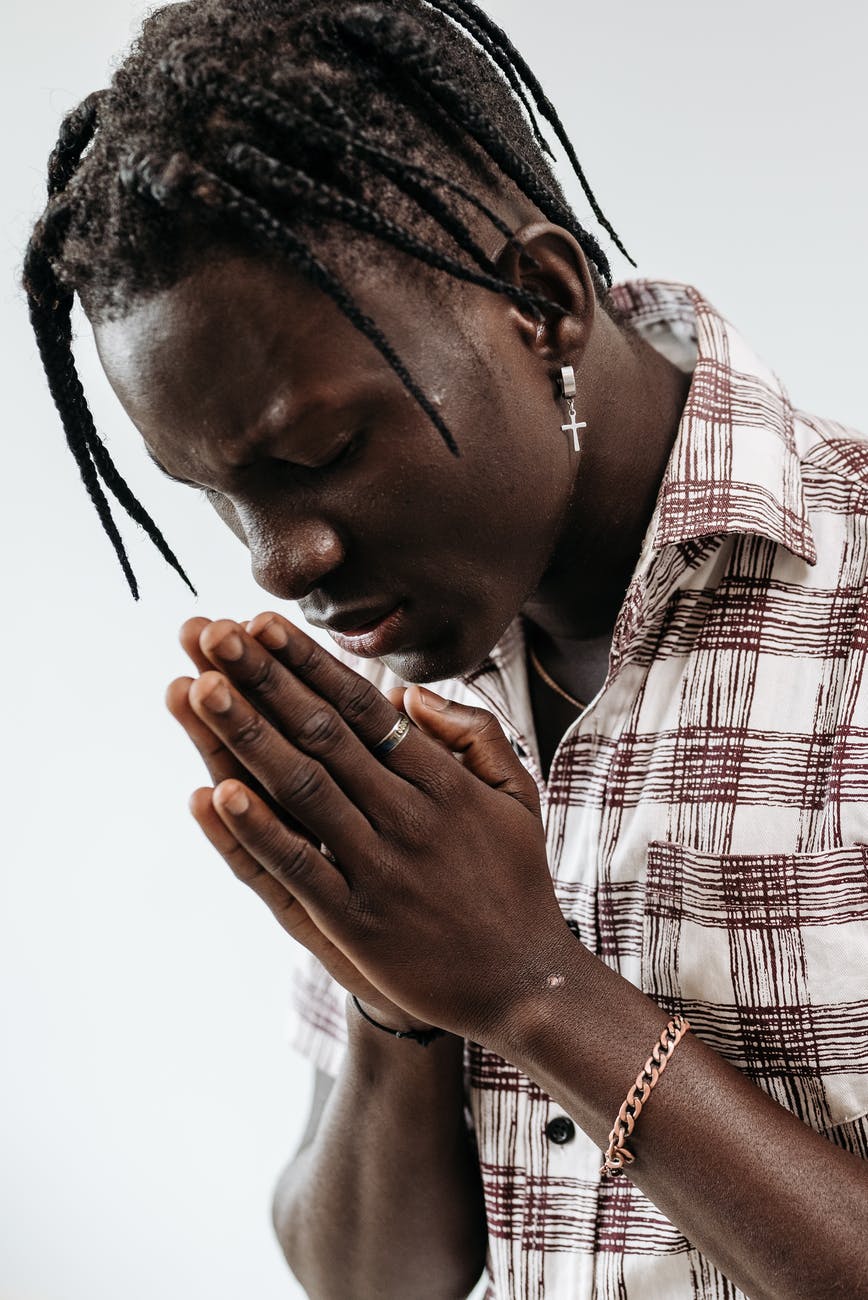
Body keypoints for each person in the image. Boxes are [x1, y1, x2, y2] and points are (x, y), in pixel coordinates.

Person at [23, 1, 868, 1297]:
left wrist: (532, 986)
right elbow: (370, 1282)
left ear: (538, 302)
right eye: (213, 492)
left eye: (318, 455)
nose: (277, 562)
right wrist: (399, 988)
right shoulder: (402, 663)